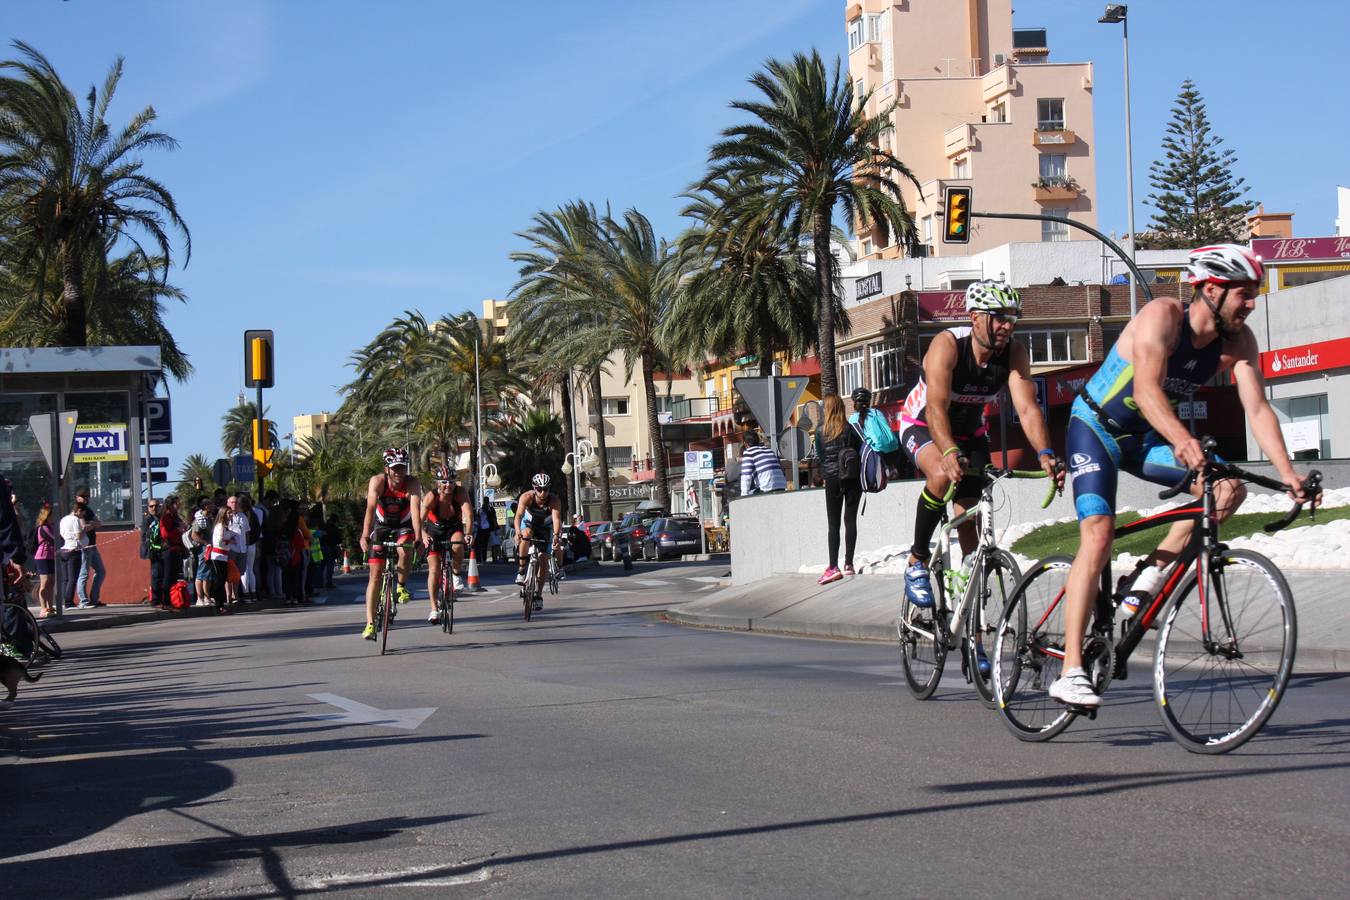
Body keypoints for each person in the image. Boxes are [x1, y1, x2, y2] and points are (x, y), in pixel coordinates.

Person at [1050, 244, 1313, 707]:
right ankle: (1071, 668)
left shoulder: (1239, 342)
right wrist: (1183, 440)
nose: (1251, 304)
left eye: (1254, 295)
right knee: (1099, 533)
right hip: (1095, 428)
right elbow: (1147, 390)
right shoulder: (1162, 317)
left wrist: (1288, 472)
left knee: (1227, 490)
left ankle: (1147, 577)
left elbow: (1257, 408)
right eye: (1244, 295)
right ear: (1211, 289)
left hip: (1148, 438)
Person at [897, 280, 1062, 631]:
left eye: (1012, 318)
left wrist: (1046, 453)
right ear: (974, 318)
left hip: (970, 433)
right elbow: (936, 409)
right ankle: (916, 560)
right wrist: (949, 451)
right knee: (941, 475)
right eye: (998, 318)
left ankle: (967, 617)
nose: (1006, 326)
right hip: (923, 424)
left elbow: (1028, 408)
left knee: (970, 516)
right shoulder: (947, 346)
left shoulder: (1014, 352)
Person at [358, 448, 423, 639]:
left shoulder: (412, 483)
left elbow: (416, 511)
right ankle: (370, 623)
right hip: (382, 526)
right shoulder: (377, 482)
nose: (399, 472)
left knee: (406, 549)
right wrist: (364, 535)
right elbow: (370, 509)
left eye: (402, 468)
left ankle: (401, 585)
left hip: (403, 526)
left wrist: (419, 537)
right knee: (375, 575)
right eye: (395, 468)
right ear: (387, 468)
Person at [815, 394, 865, 585]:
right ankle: (849, 564)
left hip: (832, 480)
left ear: (826, 409)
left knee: (833, 524)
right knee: (850, 521)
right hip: (851, 478)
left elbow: (820, 456)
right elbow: (859, 450)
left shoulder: (821, 431)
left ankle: (833, 566)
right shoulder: (850, 429)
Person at [422, 464, 473, 622]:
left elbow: (469, 513)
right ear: (438, 483)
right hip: (434, 530)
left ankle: (456, 575)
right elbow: (418, 519)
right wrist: (423, 535)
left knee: (458, 543)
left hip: (453, 526)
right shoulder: (431, 497)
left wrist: (469, 533)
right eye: (444, 482)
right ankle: (433, 608)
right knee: (434, 569)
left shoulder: (460, 492)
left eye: (451, 481)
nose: (448, 485)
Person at [513, 473, 563, 610]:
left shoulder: (554, 500)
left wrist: (556, 536)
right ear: (534, 488)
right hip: (529, 524)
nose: (542, 492)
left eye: (546, 489)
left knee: (544, 560)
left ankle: (538, 595)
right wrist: (517, 531)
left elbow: (556, 520)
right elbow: (518, 516)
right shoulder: (526, 497)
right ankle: (522, 569)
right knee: (526, 534)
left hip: (545, 527)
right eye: (539, 489)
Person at [73, 488, 106, 608]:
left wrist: (90, 524)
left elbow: (99, 523)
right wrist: (92, 524)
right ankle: (83, 600)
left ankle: (94, 599)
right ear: (77, 497)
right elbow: (82, 528)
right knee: (84, 573)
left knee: (101, 571)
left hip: (93, 545)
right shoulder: (77, 511)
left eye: (87, 496)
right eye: (83, 496)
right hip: (84, 546)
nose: (86, 498)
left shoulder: (89, 510)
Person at [205, 505, 238, 614]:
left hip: (224, 556)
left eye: (231, 513)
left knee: (222, 580)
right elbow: (219, 542)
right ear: (223, 514)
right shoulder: (220, 526)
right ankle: (219, 606)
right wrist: (230, 541)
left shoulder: (226, 526)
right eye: (228, 513)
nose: (231, 515)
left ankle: (221, 605)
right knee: (219, 581)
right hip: (217, 556)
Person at [156, 495, 187, 608]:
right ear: (171, 504)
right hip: (168, 549)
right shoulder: (166, 517)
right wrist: (178, 530)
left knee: (174, 576)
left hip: (176, 549)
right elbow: (165, 534)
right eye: (176, 503)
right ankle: (166, 601)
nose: (178, 505)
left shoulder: (175, 516)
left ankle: (174, 599)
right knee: (167, 576)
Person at [739, 431, 787, 495]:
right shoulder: (769, 450)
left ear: (745, 443)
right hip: (782, 486)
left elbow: (746, 477)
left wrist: (743, 496)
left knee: (750, 493)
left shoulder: (749, 452)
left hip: (766, 489)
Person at [31, 502, 56, 617]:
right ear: (47, 516)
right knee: (45, 583)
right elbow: (54, 539)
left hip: (50, 556)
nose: (53, 517)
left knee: (51, 582)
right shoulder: (44, 527)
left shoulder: (52, 526)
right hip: (42, 557)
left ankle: (50, 607)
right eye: (51, 515)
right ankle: (43, 608)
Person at [474, 495, 497, 565]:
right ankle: (490, 558)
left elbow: (478, 520)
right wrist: (495, 527)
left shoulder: (482, 510)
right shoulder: (489, 509)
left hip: (483, 529)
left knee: (483, 544)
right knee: (491, 543)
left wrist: (479, 526)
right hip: (488, 528)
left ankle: (484, 558)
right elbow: (494, 518)